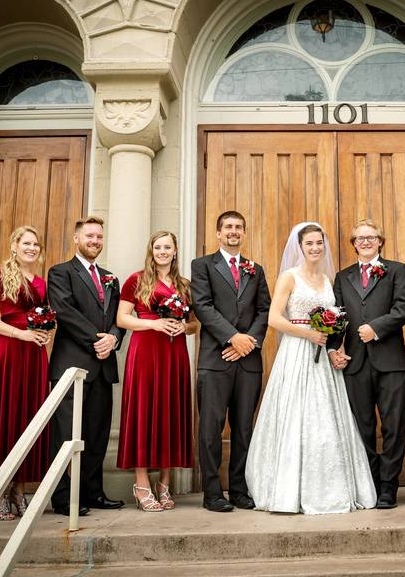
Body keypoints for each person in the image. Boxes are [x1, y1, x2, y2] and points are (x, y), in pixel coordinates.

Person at [245, 222, 376, 514]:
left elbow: (336, 322)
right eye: (309, 244)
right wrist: (308, 334)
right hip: (296, 351)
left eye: (319, 243)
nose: (315, 248)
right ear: (300, 247)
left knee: (325, 418)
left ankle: (330, 487)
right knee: (296, 416)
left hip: (322, 356)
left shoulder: (329, 281)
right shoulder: (289, 278)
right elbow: (274, 319)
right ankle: (290, 490)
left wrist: (334, 347)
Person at [328, 219, 405, 509]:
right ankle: (371, 483)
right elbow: (338, 318)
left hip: (389, 360)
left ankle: (389, 486)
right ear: (353, 244)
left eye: (371, 237)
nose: (365, 242)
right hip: (355, 362)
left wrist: (376, 327)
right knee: (362, 426)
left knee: (393, 426)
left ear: (380, 241)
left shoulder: (397, 270)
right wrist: (332, 349)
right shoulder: (343, 277)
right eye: (359, 238)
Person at [190, 211, 271, 512]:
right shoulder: (202, 266)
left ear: (244, 233)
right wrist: (231, 337)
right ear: (218, 233)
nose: (233, 231)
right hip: (215, 359)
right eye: (228, 227)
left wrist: (247, 342)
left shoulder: (256, 269)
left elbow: (265, 309)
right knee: (211, 428)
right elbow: (203, 305)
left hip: (248, 360)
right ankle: (212, 493)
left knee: (243, 429)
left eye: (238, 227)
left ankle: (239, 489)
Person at [48, 216, 126, 516]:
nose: (95, 241)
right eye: (90, 236)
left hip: (104, 367)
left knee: (96, 433)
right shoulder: (61, 272)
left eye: (99, 237)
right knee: (67, 433)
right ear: (76, 239)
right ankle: (63, 497)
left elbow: (119, 319)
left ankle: (93, 492)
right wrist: (98, 340)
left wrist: (115, 339)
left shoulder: (110, 277)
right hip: (73, 365)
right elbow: (64, 311)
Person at [0, 226, 52, 520]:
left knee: (28, 418)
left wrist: (42, 333)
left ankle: (19, 490)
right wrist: (20, 335)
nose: (31, 248)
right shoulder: (0, 275)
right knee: (4, 417)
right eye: (26, 243)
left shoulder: (42, 283)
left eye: (35, 244)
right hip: (8, 352)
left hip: (34, 356)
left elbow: (42, 319)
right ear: (15, 246)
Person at [116, 231, 198, 512]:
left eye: (168, 247)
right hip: (145, 352)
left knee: (170, 412)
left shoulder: (184, 285)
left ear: (175, 251)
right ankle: (141, 483)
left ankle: (164, 483)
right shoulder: (136, 280)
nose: (163, 251)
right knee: (144, 411)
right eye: (158, 247)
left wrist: (183, 327)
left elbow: (195, 323)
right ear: (151, 250)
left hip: (174, 354)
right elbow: (122, 318)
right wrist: (154, 324)